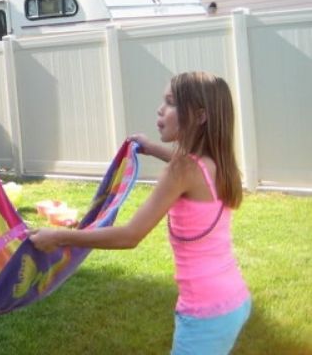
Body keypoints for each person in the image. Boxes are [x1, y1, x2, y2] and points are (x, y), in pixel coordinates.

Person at [29, 71, 250, 354]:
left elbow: (130, 235)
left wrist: (59, 237)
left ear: (199, 116)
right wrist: (153, 148)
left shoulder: (181, 171)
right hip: (232, 299)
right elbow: (187, 165)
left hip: (205, 312)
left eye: (171, 102)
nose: (160, 109)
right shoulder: (217, 164)